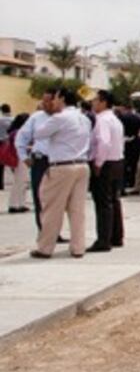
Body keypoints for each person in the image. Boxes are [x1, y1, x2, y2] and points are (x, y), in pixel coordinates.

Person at [31, 87, 91, 259]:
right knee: (77, 210)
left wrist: (45, 114)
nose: (53, 102)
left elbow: (39, 134)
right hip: (81, 164)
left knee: (51, 208)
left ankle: (45, 247)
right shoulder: (84, 118)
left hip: (62, 166)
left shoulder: (60, 118)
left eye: (56, 98)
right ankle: (78, 247)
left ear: (62, 99)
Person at [15, 90, 60, 234]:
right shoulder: (36, 117)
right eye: (43, 100)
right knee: (40, 197)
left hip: (59, 162)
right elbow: (22, 136)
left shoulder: (63, 118)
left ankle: (55, 231)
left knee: (57, 199)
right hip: (41, 160)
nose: (44, 104)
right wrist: (23, 156)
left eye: (48, 100)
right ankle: (44, 231)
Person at [88, 90, 124, 252]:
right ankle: (116, 236)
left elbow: (104, 142)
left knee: (103, 203)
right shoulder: (115, 119)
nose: (93, 103)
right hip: (117, 161)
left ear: (103, 102)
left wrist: (98, 163)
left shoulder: (102, 120)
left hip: (106, 163)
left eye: (95, 100)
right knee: (114, 201)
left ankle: (104, 239)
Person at [3, 113, 31, 213]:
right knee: (20, 182)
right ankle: (16, 204)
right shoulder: (19, 133)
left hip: (17, 158)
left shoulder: (14, 132)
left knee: (19, 182)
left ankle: (18, 203)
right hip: (20, 158)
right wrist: (30, 148)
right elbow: (19, 146)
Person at [117, 103, 140, 194]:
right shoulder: (137, 118)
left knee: (123, 167)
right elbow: (139, 131)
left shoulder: (121, 118)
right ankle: (132, 182)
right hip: (135, 144)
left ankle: (122, 187)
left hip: (124, 143)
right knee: (134, 166)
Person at [0, 103, 12, 190]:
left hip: (1, 142)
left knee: (1, 164)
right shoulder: (14, 119)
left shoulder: (0, 120)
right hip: (11, 142)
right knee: (13, 163)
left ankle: (1, 184)